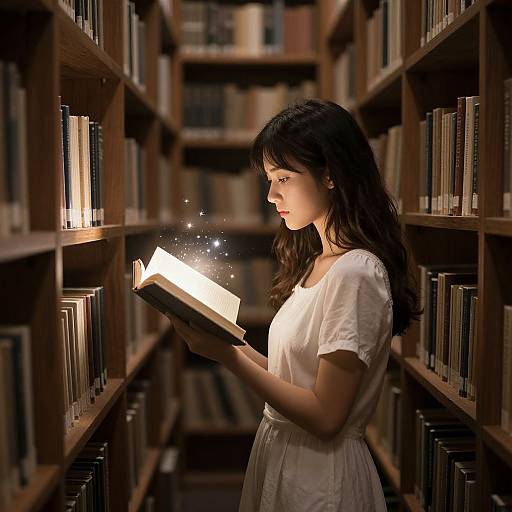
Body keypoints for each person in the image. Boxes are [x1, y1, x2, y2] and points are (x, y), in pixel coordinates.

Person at [168, 99, 421, 511]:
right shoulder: (319, 261)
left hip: (320, 477)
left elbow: (325, 416)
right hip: (285, 457)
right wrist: (224, 342)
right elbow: (293, 377)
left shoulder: (355, 273)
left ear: (331, 175)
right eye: (270, 179)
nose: (271, 195)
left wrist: (229, 360)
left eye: (283, 178)